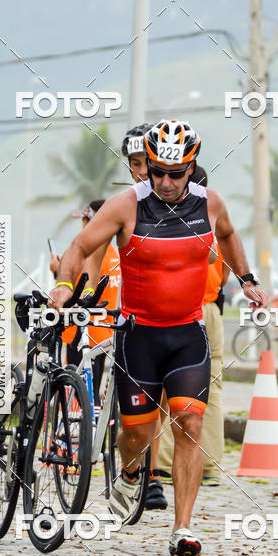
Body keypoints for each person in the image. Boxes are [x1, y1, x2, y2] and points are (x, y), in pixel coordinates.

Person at [49, 119, 264, 556]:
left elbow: (228, 236)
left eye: (175, 173)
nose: (164, 182)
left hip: (187, 335)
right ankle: (130, 474)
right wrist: (62, 287)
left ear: (192, 168)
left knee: (190, 422)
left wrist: (247, 278)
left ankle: (182, 528)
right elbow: (77, 247)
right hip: (138, 337)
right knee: (137, 436)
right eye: (156, 171)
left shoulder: (211, 204)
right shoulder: (125, 205)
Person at [156, 165, 229, 487]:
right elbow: (224, 271)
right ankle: (208, 463)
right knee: (210, 388)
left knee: (163, 387)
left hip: (180, 309)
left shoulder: (171, 222)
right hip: (211, 308)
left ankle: (161, 464)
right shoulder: (216, 221)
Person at [121, 124, 168, 511]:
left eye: (145, 163)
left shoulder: (179, 198)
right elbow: (89, 247)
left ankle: (153, 475)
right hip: (119, 310)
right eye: (134, 164)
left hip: (164, 315)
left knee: (163, 400)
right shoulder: (122, 203)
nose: (141, 171)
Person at [49, 200, 121, 397]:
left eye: (85, 221)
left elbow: (79, 293)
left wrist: (58, 272)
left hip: (84, 334)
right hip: (104, 333)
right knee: (92, 391)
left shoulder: (91, 258)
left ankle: (87, 427)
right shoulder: (113, 253)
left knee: (82, 396)